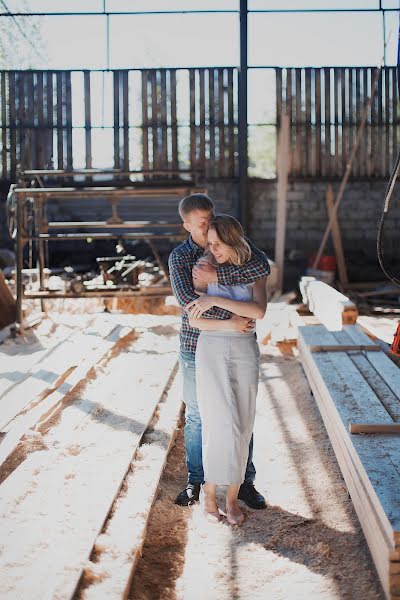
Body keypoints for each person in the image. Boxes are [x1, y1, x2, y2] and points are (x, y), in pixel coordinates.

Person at [168, 194, 270, 510]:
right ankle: (196, 481)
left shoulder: (230, 242)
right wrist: (234, 320)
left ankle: (244, 481)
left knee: (241, 411)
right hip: (195, 344)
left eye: (211, 217)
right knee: (199, 414)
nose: (209, 224)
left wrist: (217, 279)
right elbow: (189, 303)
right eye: (201, 222)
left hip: (238, 342)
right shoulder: (180, 257)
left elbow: (258, 267)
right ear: (186, 225)